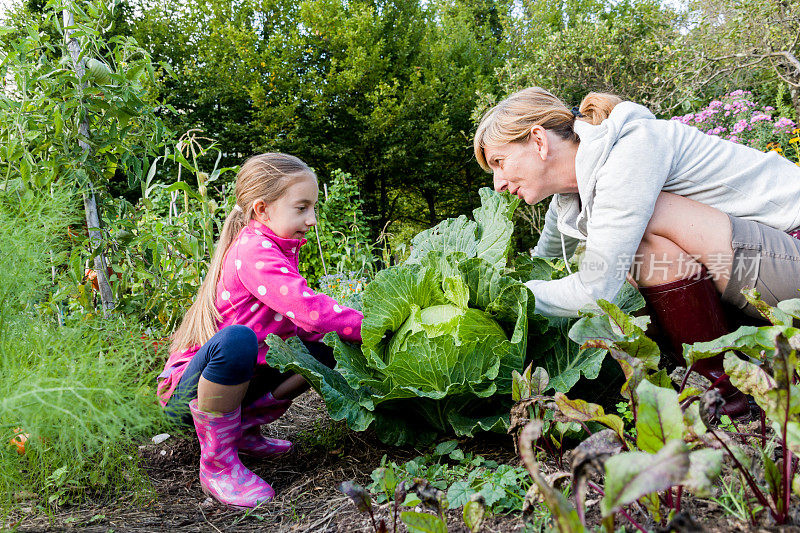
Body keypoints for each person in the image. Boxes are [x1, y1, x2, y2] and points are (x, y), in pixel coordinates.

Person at [473, 87, 800, 418]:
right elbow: (542, 263)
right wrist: (488, 285)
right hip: (763, 272)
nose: (498, 183)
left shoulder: (629, 151)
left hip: (792, 250)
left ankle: (723, 401)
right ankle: (729, 388)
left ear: (539, 141)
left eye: (500, 162)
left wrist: (509, 297)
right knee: (626, 254)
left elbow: (595, 290)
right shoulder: (570, 197)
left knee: (638, 239)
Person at [156, 153, 363, 509]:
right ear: (262, 209)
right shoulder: (253, 250)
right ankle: (218, 464)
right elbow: (310, 311)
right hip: (187, 399)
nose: (311, 220)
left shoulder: (277, 248)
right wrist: (372, 325)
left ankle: (244, 431)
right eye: (302, 208)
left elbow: (308, 326)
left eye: (313, 208)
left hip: (239, 383)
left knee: (324, 346)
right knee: (237, 340)